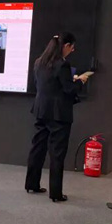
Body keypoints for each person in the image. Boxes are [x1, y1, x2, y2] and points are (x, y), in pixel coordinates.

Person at [25, 32, 90, 202]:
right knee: (57, 153)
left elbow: (43, 84)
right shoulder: (62, 64)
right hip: (59, 114)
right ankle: (55, 193)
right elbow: (68, 89)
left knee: (37, 148)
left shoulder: (39, 62)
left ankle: (31, 184)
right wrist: (80, 81)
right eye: (72, 47)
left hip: (41, 110)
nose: (72, 51)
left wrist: (69, 80)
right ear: (66, 46)